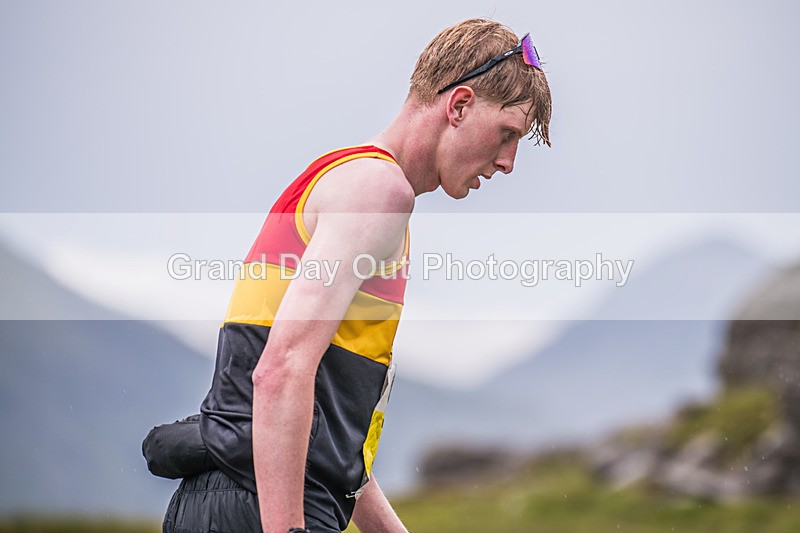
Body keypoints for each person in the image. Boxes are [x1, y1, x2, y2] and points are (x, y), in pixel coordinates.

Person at [153, 17, 551, 533]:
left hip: (230, 500)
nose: (509, 162)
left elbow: (328, 445)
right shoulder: (379, 193)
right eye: (507, 134)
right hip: (266, 504)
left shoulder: (346, 179)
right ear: (459, 105)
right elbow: (282, 368)